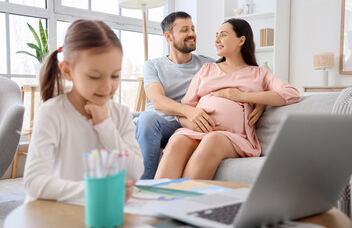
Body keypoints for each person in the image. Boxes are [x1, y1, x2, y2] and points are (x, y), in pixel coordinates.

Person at [154, 18, 300, 180]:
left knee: (213, 139)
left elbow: (291, 93)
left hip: (233, 138)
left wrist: (243, 96)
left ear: (241, 40)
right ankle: (157, 202)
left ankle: (188, 202)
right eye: (216, 35)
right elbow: (184, 111)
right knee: (177, 142)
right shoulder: (207, 69)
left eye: (223, 35)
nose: (217, 40)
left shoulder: (259, 73)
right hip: (197, 131)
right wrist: (195, 125)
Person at [23, 19, 144, 203]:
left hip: (102, 212)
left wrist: (105, 125)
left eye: (115, 75)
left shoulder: (120, 114)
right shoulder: (51, 113)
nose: (107, 86)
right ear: (67, 71)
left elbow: (134, 173)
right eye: (94, 76)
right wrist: (96, 191)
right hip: (54, 214)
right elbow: (34, 181)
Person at [135, 12, 265, 179]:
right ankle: (143, 188)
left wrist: (261, 102)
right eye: (184, 30)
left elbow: (245, 77)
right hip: (163, 124)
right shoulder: (153, 65)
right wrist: (189, 112)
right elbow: (158, 101)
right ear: (168, 36)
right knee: (146, 119)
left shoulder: (209, 64)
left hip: (195, 125)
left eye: (193, 29)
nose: (192, 34)